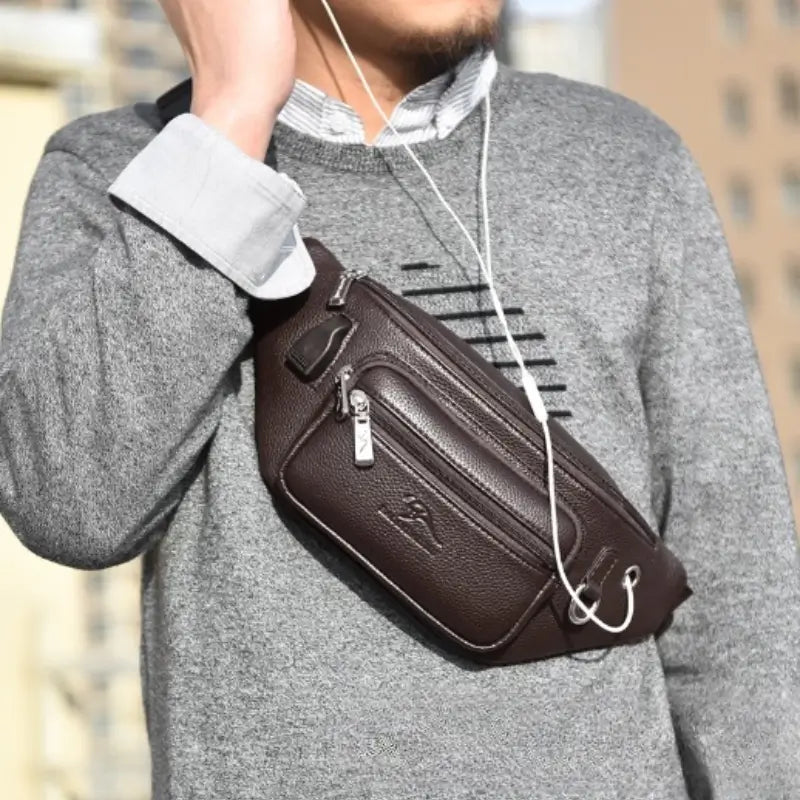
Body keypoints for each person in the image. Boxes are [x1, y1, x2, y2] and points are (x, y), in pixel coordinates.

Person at [1, 0, 798, 797]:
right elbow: (72, 506)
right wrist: (230, 123)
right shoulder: (125, 169)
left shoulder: (627, 163)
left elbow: (738, 596)